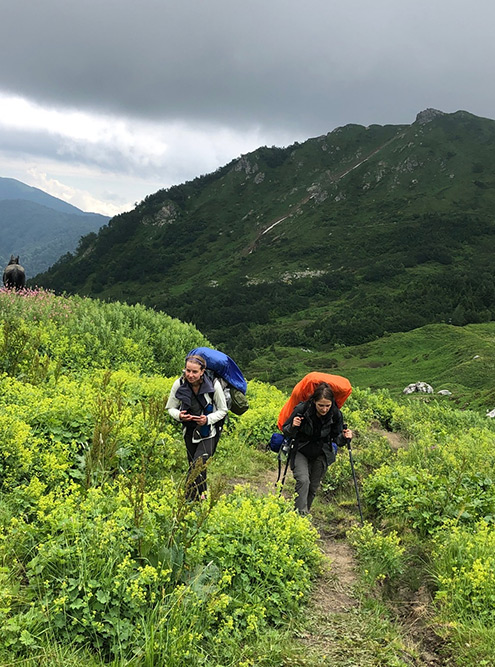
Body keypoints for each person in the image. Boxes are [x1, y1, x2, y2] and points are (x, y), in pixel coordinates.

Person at [282, 382, 353, 515]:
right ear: (314, 401)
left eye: (327, 405)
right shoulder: (302, 409)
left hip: (322, 452)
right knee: (303, 481)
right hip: (301, 449)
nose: (324, 409)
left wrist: (345, 437)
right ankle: (300, 516)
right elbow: (286, 430)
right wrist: (293, 426)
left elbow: (337, 439)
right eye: (321, 405)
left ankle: (304, 513)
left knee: (313, 487)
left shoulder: (335, 414)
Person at [166, 354, 228, 500]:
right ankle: (202, 498)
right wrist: (180, 416)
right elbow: (170, 407)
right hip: (189, 431)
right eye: (188, 371)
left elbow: (223, 410)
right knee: (195, 466)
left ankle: (186, 500)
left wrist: (207, 419)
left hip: (210, 432)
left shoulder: (214, 385)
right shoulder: (179, 383)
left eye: (194, 372)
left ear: (202, 371)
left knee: (197, 466)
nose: (190, 375)